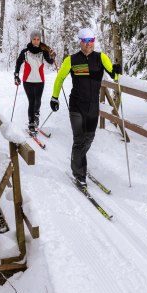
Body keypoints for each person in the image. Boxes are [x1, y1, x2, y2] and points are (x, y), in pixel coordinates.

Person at [50, 28, 121, 188]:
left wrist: (117, 71)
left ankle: (78, 161)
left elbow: (114, 76)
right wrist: (54, 97)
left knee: (89, 138)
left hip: (93, 106)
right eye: (85, 41)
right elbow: (60, 78)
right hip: (76, 105)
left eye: (91, 41)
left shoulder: (101, 58)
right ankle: (79, 173)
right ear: (80, 42)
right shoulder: (71, 60)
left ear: (94, 41)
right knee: (79, 139)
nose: (88, 44)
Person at [14, 31, 55, 132]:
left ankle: (36, 114)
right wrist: (16, 75)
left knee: (38, 101)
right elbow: (18, 63)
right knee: (31, 101)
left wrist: (53, 56)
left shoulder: (43, 51)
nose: (36, 41)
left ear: (40, 40)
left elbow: (50, 61)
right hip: (27, 81)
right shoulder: (25, 52)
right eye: (34, 39)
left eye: (38, 39)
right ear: (31, 40)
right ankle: (31, 122)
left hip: (40, 81)